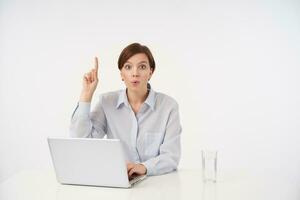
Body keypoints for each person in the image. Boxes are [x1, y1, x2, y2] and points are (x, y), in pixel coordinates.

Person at [70, 43, 182, 178]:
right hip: (118, 183)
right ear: (122, 74)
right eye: (128, 67)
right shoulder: (107, 102)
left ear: (150, 72)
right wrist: (86, 96)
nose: (135, 73)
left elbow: (171, 157)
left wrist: (143, 167)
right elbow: (82, 142)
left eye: (142, 67)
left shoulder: (168, 106)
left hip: (156, 183)